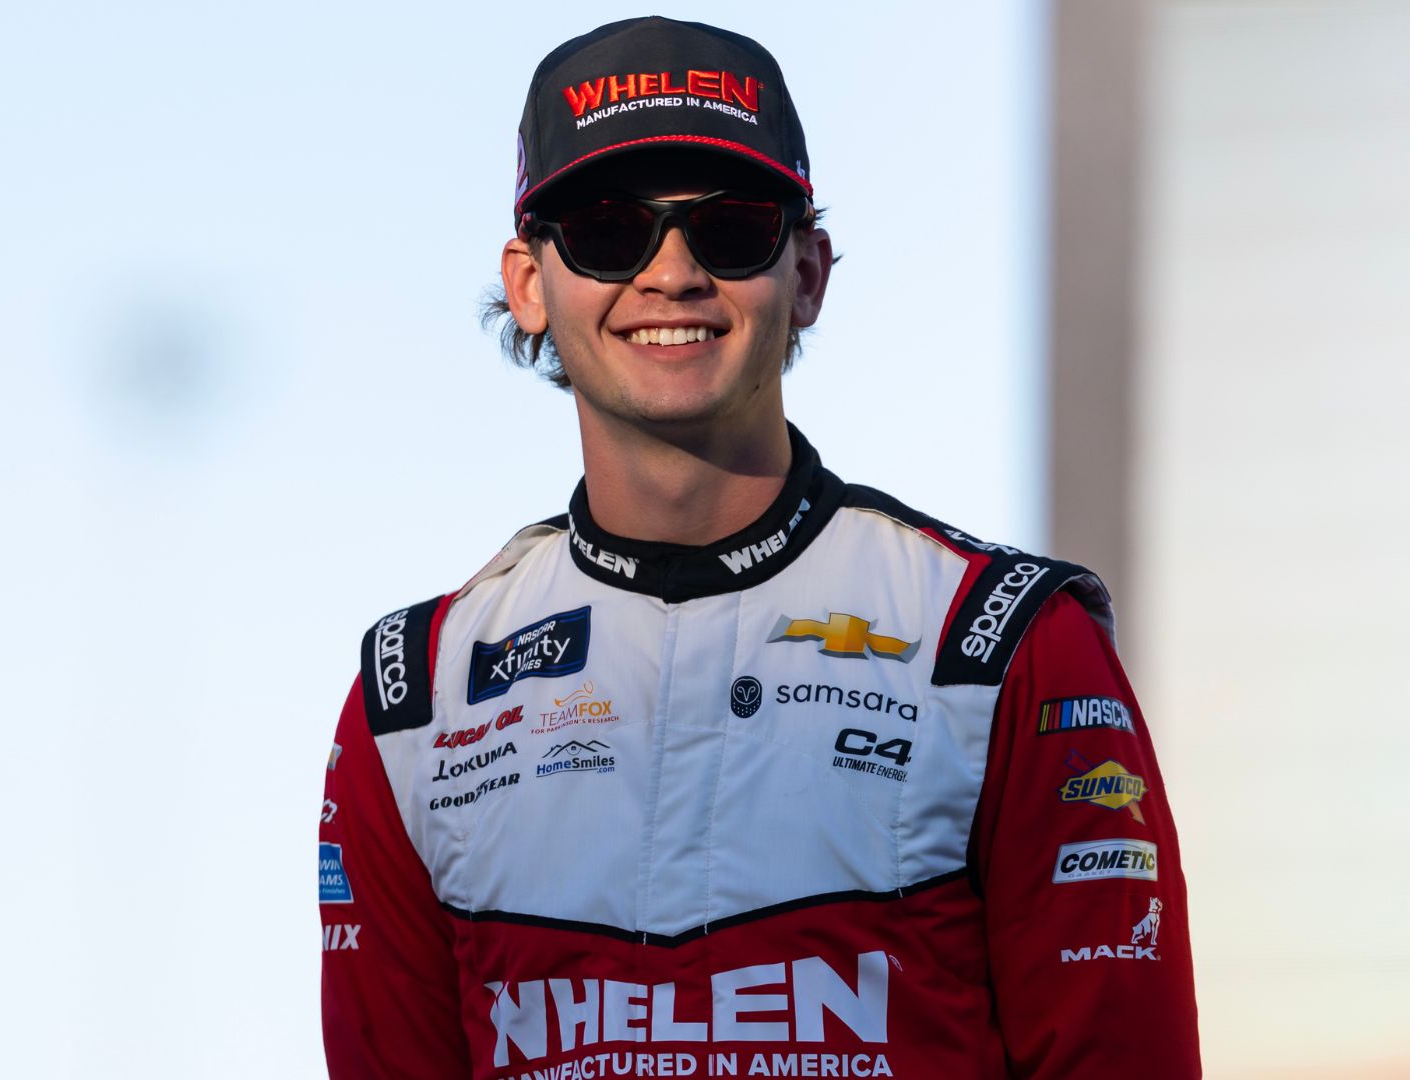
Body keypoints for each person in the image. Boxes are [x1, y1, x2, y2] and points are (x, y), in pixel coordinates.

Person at [319, 16, 1200, 1079]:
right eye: (607, 229)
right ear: (530, 284)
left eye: (729, 229)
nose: (673, 272)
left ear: (809, 273)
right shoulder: (417, 699)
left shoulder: (1000, 643)